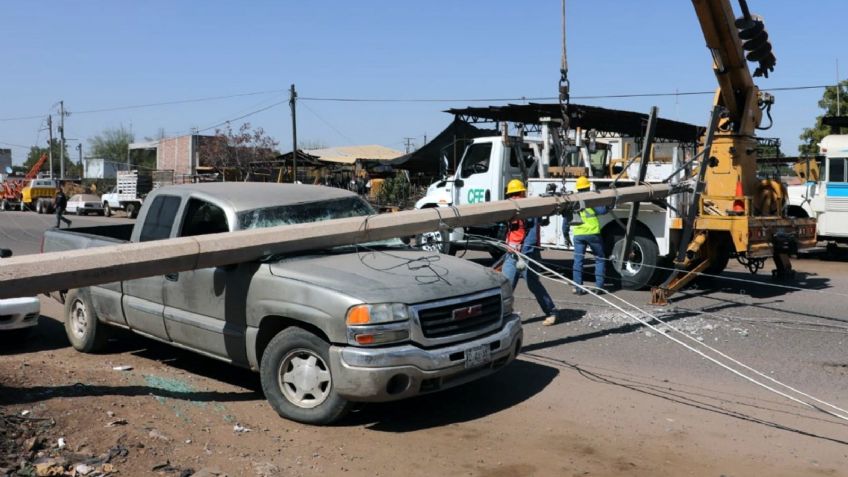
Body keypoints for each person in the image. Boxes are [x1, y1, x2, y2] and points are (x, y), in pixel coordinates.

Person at [501, 179, 559, 326]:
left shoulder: (528, 209)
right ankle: (501, 317)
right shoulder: (510, 209)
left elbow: (532, 235)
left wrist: (524, 254)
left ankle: (551, 311)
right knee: (506, 286)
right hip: (512, 254)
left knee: (533, 284)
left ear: (521, 193)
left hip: (527, 255)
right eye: (512, 195)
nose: (513, 197)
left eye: (515, 194)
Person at [571, 176, 607, 295]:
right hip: (592, 233)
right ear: (588, 186)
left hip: (578, 234)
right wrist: (609, 204)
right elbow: (601, 211)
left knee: (578, 261)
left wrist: (565, 233)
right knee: (600, 258)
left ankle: (578, 288)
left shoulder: (574, 200)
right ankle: (599, 287)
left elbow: (567, 220)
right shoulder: (590, 197)